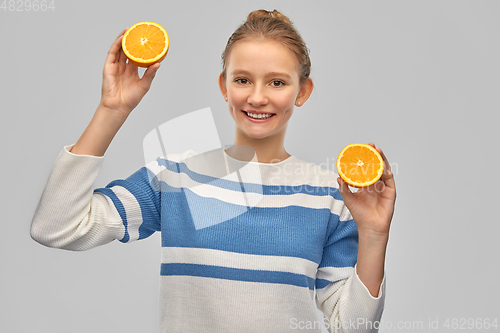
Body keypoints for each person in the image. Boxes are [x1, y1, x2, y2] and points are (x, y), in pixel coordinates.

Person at [31, 9, 396, 333]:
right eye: (242, 80)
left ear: (303, 91)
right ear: (224, 86)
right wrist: (112, 109)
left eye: (277, 82)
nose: (257, 96)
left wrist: (375, 233)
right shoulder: (175, 177)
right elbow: (56, 227)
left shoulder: (331, 197)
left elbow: (351, 328)